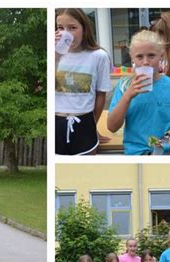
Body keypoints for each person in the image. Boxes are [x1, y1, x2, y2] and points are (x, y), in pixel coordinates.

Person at [108, 30, 170, 155]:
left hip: (166, 154)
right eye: (139, 56)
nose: (145, 62)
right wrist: (128, 96)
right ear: (132, 57)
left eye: (151, 55)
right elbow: (112, 126)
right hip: (135, 155)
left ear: (161, 55)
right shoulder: (124, 85)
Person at [55, 8, 112, 155]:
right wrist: (55, 55)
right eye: (60, 28)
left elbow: (101, 94)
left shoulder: (99, 56)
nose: (66, 33)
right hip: (56, 122)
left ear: (84, 29)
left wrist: (93, 125)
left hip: (85, 122)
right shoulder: (53, 54)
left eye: (72, 28)